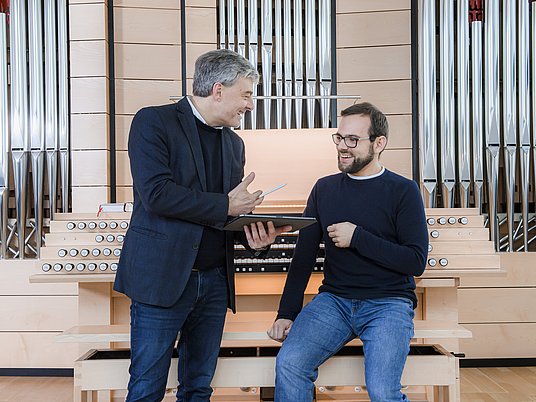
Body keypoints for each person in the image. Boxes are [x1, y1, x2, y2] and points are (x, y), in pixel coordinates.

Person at [114, 49, 291, 402]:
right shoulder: (153, 122)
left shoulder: (234, 144)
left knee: (198, 387)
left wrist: (255, 236)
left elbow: (225, 217)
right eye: (246, 94)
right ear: (219, 90)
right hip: (162, 279)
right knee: (147, 386)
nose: (250, 105)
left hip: (213, 283)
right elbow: (157, 194)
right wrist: (227, 204)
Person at [267, 102, 429, 402]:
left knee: (382, 391)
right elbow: (303, 257)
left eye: (352, 140)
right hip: (334, 303)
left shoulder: (403, 191)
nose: (343, 147)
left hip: (388, 304)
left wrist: (358, 238)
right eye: (339, 138)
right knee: (290, 363)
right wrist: (286, 313)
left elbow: (415, 261)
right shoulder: (324, 189)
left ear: (379, 143)